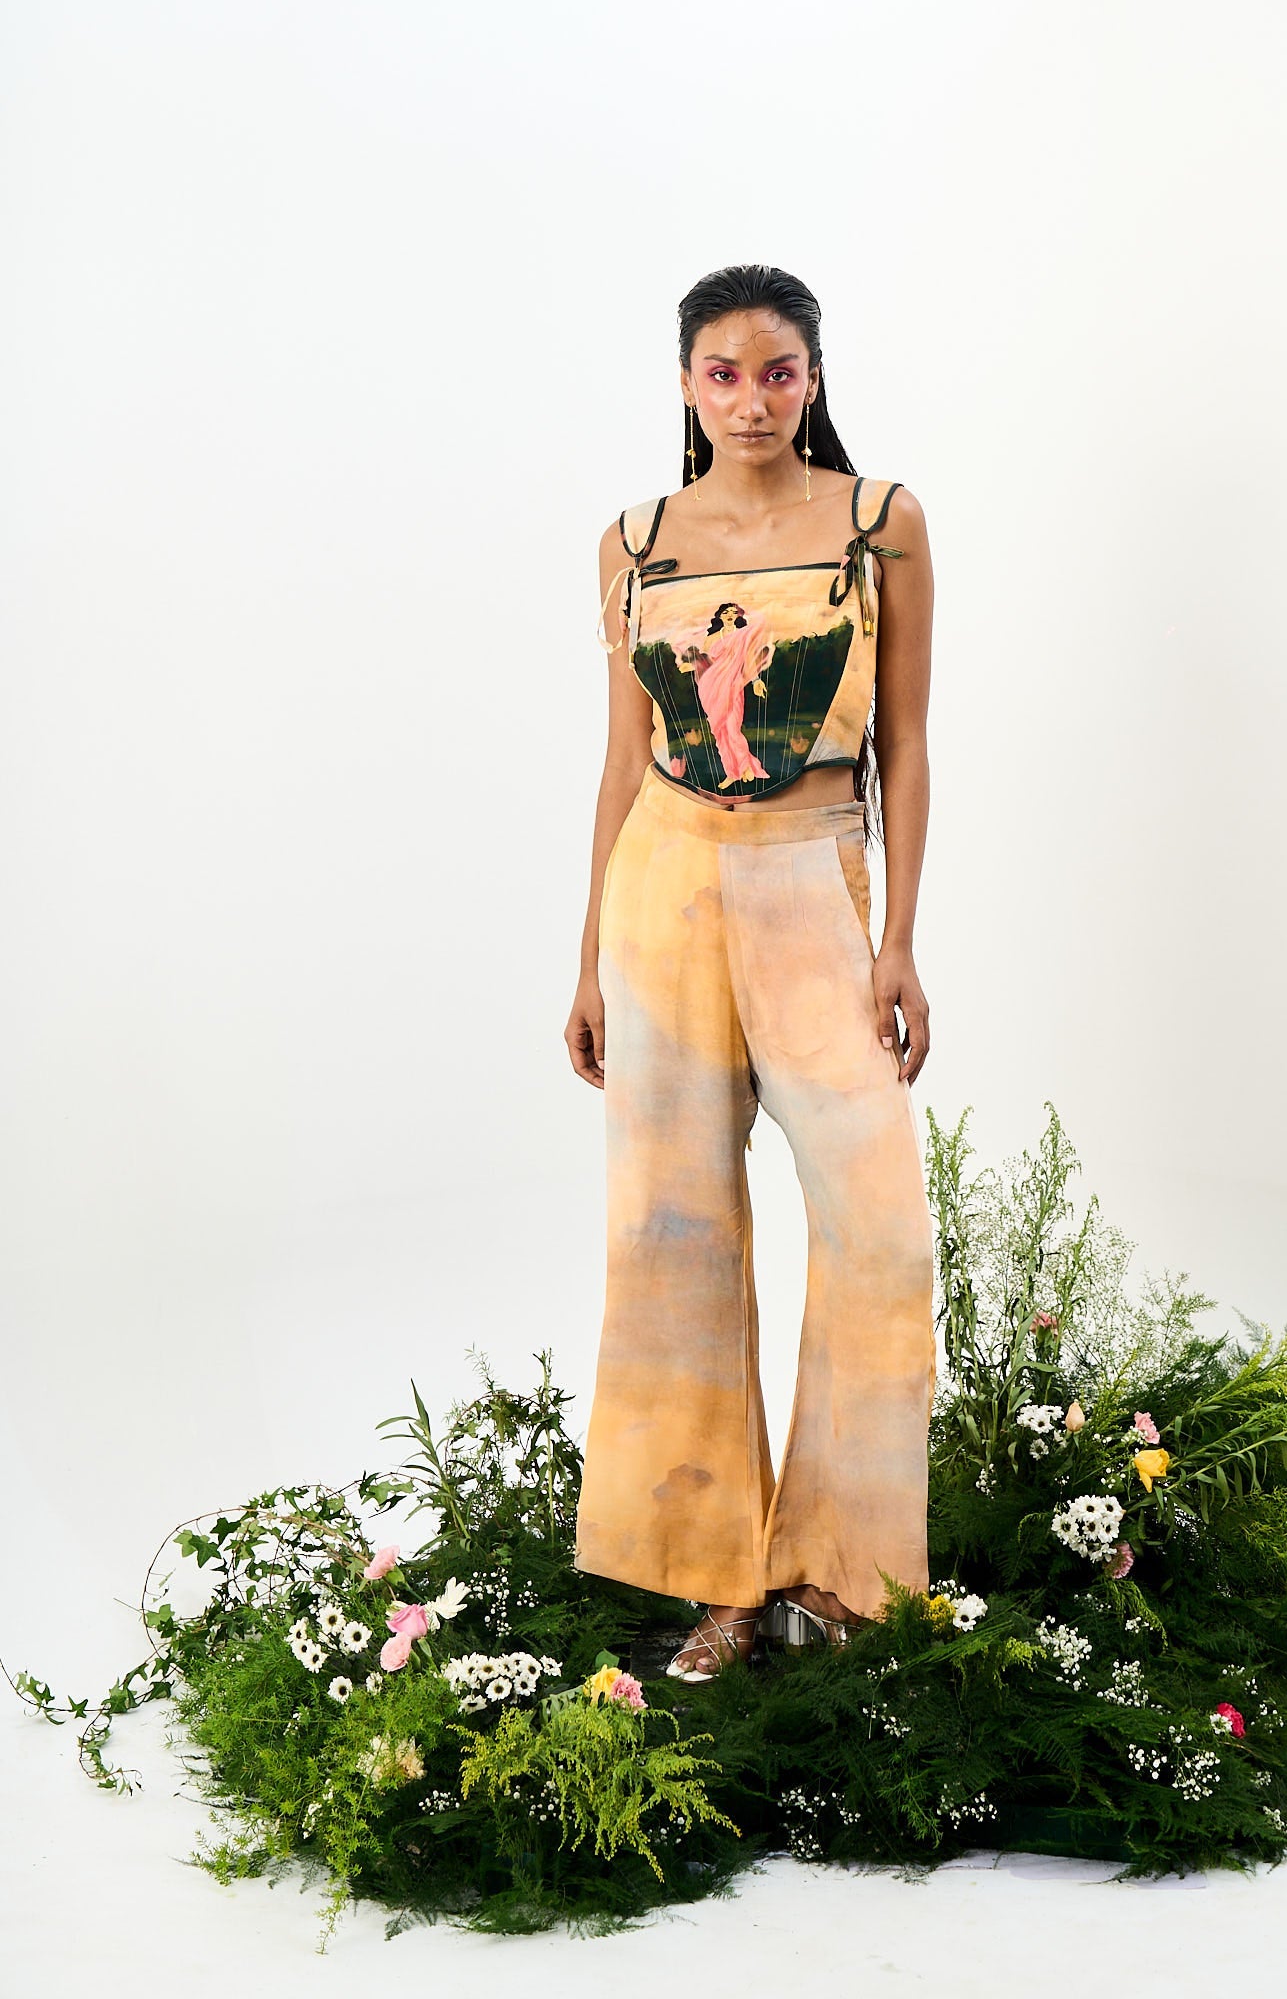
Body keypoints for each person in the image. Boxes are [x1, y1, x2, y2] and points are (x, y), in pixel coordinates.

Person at [565, 263, 937, 1682]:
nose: (752, 401)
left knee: (879, 1225)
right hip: (663, 886)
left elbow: (906, 745)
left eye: (778, 372)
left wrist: (897, 940)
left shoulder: (878, 525)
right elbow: (622, 759)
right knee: (674, 1230)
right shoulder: (635, 543)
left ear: (814, 378)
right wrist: (588, 958)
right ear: (685, 385)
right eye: (722, 375)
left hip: (813, 878)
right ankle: (713, 1576)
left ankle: (838, 1572)